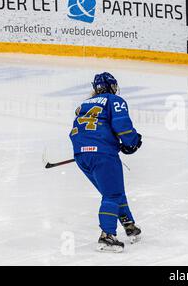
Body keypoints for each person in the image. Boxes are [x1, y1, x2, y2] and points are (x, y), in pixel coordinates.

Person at [69, 72, 143, 253]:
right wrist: (131, 142)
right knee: (111, 194)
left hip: (81, 154)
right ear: (111, 86)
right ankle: (107, 235)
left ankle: (129, 224)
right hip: (103, 154)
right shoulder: (113, 100)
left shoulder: (83, 105)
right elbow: (122, 125)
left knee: (113, 191)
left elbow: (82, 129)